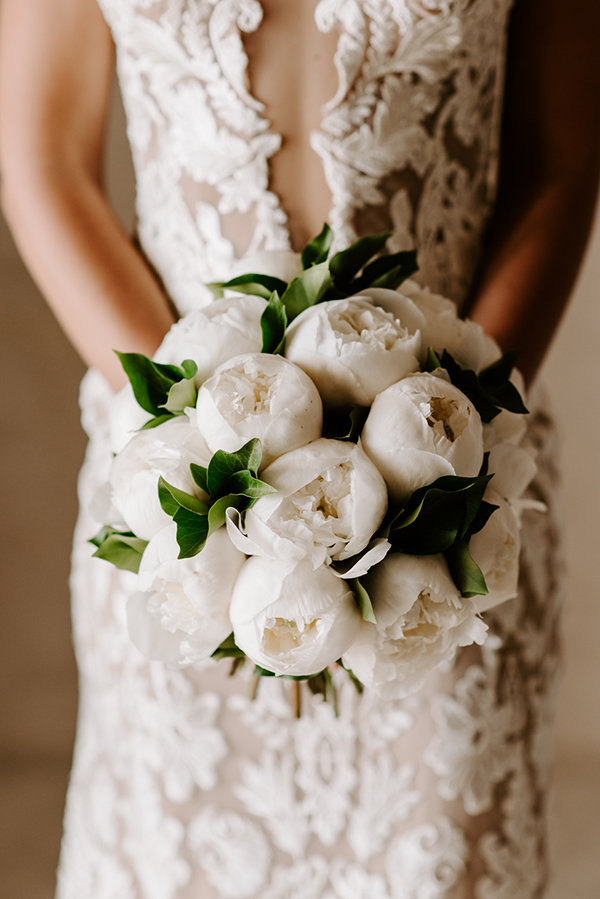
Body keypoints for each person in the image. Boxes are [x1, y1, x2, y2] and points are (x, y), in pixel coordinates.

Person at [0, 1, 598, 896]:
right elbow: (44, 163)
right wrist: (191, 440)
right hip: (181, 518)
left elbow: (561, 159)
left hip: (450, 512)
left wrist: (452, 436)